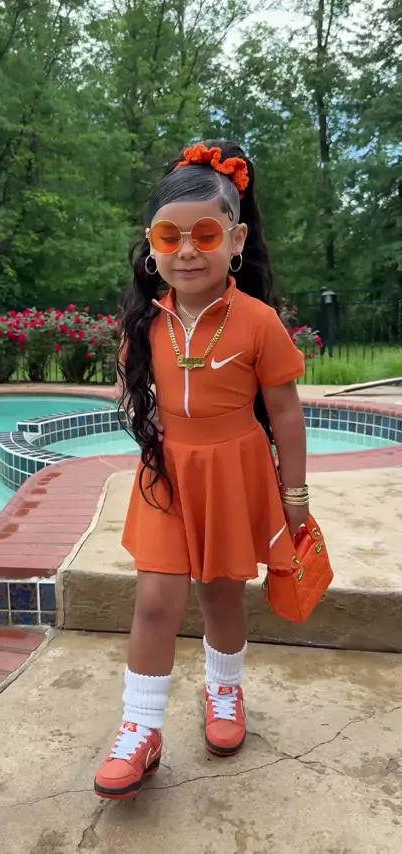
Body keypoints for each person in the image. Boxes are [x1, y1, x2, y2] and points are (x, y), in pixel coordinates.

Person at [94, 140, 309, 800]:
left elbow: (285, 410)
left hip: (234, 471)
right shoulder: (144, 322)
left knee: (220, 592)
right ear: (151, 245)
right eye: (170, 236)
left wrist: (294, 493)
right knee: (155, 601)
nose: (187, 250)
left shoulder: (258, 322)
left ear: (235, 240)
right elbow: (134, 390)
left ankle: (224, 692)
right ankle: (140, 728)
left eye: (206, 234)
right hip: (167, 476)